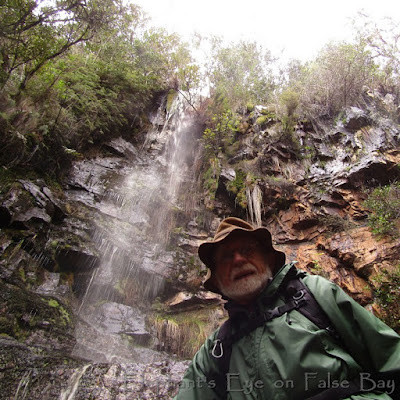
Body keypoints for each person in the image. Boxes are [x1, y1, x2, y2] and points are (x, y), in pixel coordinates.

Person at [174, 217, 400, 399]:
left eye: (248, 249)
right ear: (217, 280)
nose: (238, 260)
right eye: (225, 257)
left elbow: (391, 357)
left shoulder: (314, 293)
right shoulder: (217, 348)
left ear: (268, 260)